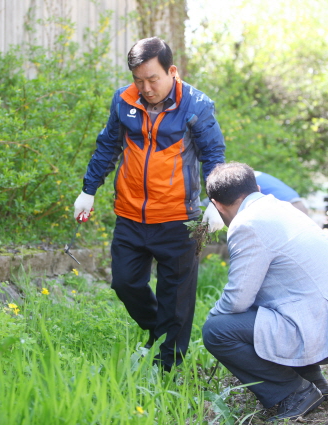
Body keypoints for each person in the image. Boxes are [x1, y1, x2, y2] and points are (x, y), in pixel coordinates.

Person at [72, 37, 226, 371]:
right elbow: (107, 146)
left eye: (152, 79)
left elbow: (213, 155)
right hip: (130, 215)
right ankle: (159, 332)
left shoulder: (197, 105)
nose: (146, 87)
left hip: (179, 218)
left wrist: (216, 200)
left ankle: (167, 368)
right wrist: (89, 190)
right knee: (125, 283)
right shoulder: (123, 100)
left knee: (176, 299)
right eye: (138, 80)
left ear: (171, 71)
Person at [202, 162, 328, 421]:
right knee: (272, 307)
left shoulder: (246, 224)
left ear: (216, 204)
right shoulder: (283, 208)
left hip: (327, 332)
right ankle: (313, 382)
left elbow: (237, 300)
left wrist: (212, 316)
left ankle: (293, 392)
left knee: (217, 330)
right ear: (256, 188)